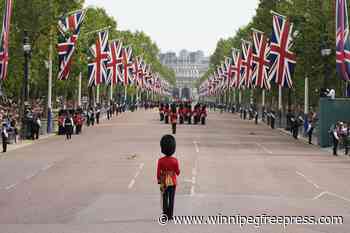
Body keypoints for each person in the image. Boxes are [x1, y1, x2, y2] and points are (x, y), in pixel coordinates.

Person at [157, 135, 180, 221]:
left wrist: (159, 180)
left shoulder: (160, 160)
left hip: (164, 181)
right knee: (171, 198)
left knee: (164, 198)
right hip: (173, 181)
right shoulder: (175, 160)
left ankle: (165, 214)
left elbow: (158, 172)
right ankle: (170, 215)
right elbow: (177, 172)